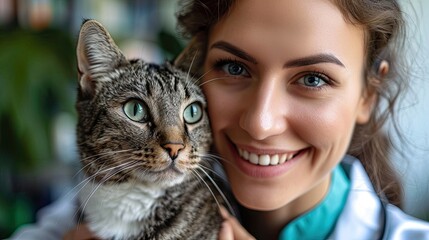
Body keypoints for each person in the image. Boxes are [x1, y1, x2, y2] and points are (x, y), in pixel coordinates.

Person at [10, 0, 429, 239]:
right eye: (234, 68)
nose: (261, 123)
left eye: (313, 78)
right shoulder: (107, 196)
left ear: (367, 95)